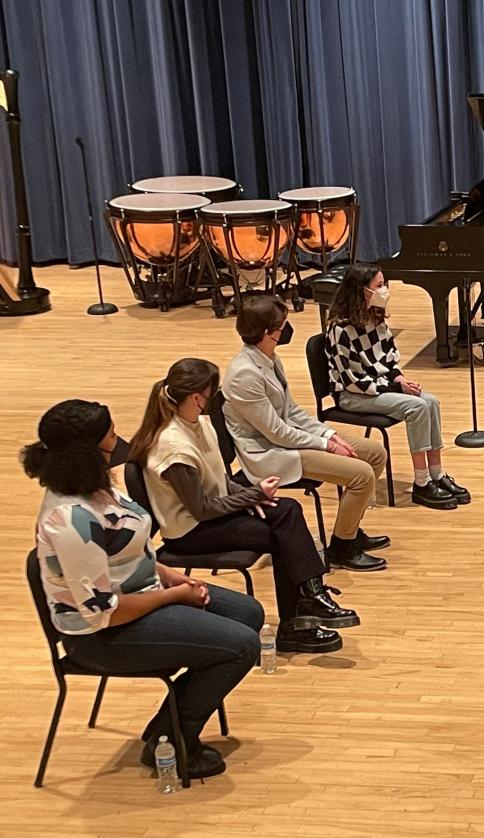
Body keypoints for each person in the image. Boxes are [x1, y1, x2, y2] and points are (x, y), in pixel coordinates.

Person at [24, 400, 263, 781]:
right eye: (110, 436)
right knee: (241, 646)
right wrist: (174, 596)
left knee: (247, 614)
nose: (119, 442)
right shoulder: (70, 520)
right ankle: (170, 737)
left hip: (143, 595)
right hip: (105, 635)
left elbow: (130, 547)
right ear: (88, 453)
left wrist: (169, 575)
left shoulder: (97, 487)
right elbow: (105, 612)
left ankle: (171, 716)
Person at [130, 357, 360, 654]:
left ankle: (308, 601)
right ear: (198, 398)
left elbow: (221, 482)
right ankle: (300, 613)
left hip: (212, 515)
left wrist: (253, 494)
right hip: (191, 531)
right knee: (282, 535)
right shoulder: (173, 446)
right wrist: (251, 497)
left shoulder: (200, 423)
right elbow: (201, 509)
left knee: (287, 510)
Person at [222, 295, 391, 572]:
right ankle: (342, 548)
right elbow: (277, 433)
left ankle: (348, 530)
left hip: (288, 440)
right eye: (282, 324)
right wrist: (325, 445)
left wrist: (330, 434)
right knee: (361, 475)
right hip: (270, 454)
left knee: (374, 453)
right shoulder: (245, 375)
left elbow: (292, 412)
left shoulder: (269, 358)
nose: (287, 329)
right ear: (267, 332)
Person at [325, 263, 470, 510]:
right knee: (416, 408)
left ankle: (437, 474)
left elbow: (388, 358)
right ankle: (422, 484)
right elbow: (354, 382)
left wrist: (400, 379)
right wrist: (394, 390)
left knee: (431, 401)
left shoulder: (376, 318)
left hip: (379, 388)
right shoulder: (341, 330)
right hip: (353, 395)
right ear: (361, 291)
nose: (385, 291)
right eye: (379, 286)